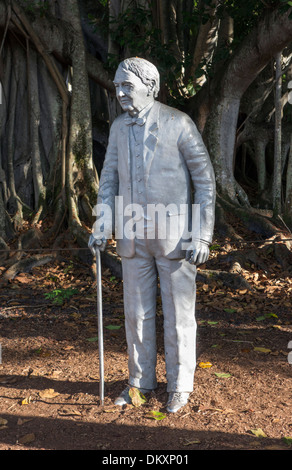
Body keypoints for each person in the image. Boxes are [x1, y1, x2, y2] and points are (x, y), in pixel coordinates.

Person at [89, 57, 215, 413]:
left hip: (175, 237)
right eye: (117, 87)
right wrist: (103, 224)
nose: (120, 93)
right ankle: (139, 382)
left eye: (127, 86)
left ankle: (180, 385)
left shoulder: (179, 123)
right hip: (132, 234)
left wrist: (202, 236)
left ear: (151, 87)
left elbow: (205, 182)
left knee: (178, 314)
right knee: (137, 313)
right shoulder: (116, 128)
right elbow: (109, 178)